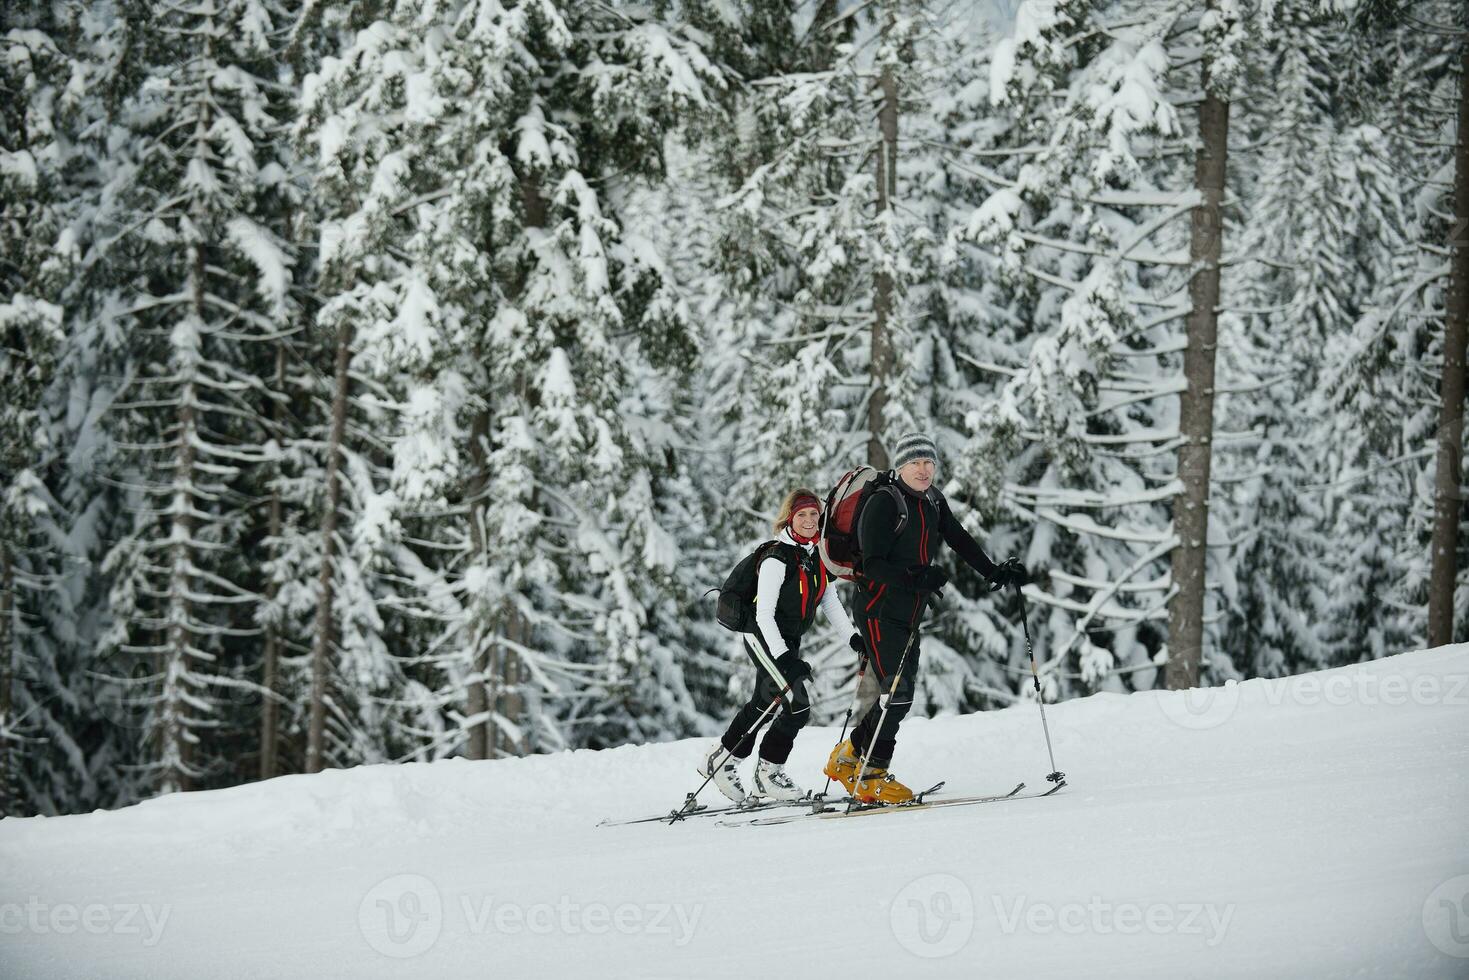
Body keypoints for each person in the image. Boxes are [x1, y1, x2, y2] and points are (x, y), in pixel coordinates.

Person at [824, 432, 1028, 804]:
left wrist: (994, 572)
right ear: (901, 466)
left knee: (898, 694)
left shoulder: (933, 500)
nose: (923, 469)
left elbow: (959, 538)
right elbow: (872, 565)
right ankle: (871, 774)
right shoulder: (884, 503)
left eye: (929, 462)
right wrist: (916, 578)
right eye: (915, 463)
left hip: (908, 611)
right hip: (877, 609)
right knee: (897, 696)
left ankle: (851, 756)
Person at [699, 489, 865, 803]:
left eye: (814, 514)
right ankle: (768, 774)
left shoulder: (817, 556)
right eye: (801, 514)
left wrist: (854, 640)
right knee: (797, 704)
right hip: (762, 634)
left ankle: (722, 759)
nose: (809, 520)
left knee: (765, 702)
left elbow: (829, 603)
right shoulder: (778, 557)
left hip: (786, 639)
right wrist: (785, 658)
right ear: (790, 518)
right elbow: (764, 614)